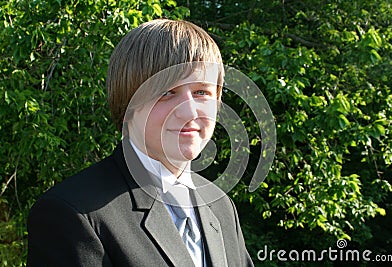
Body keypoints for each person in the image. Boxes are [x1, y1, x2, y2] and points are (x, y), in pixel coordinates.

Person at [27, 19, 254, 267]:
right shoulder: (71, 214)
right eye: (167, 92)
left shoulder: (220, 205)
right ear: (127, 106)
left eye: (201, 92)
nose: (190, 111)